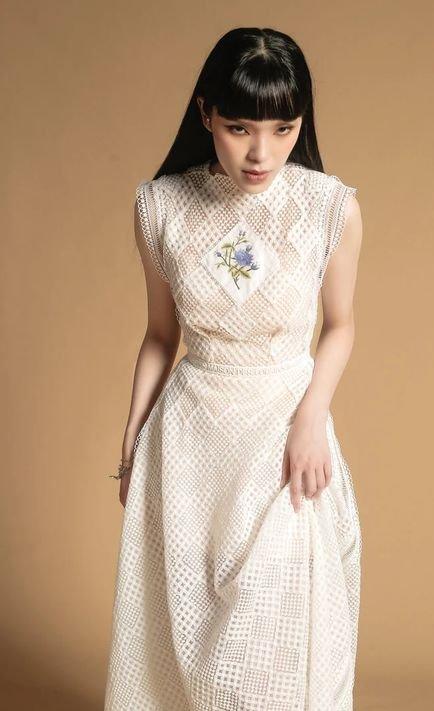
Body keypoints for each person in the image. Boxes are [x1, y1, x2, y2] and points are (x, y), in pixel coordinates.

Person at [104, 26, 363, 711]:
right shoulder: (160, 207)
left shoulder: (329, 207)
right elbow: (161, 335)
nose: (261, 152)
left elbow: (340, 326)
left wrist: (311, 418)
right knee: (184, 623)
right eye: (240, 127)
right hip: (189, 438)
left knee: (271, 621)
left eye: (283, 129)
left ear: (301, 123)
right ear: (205, 114)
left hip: (284, 430)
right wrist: (133, 440)